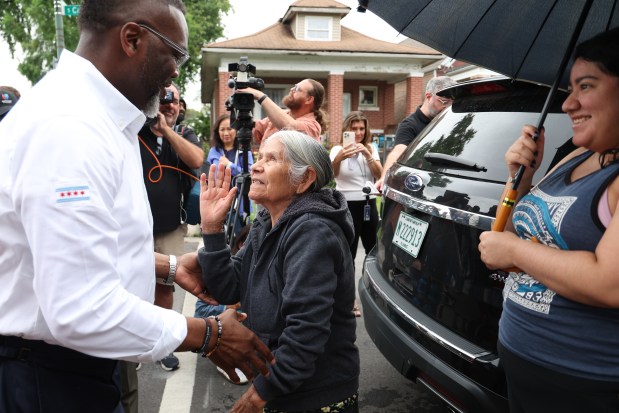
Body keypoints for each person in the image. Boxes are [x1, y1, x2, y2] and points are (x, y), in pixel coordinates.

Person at [0, 1, 273, 411]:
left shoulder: (103, 119)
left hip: (72, 364)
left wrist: (169, 266)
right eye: (175, 54)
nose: (176, 72)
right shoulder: (70, 128)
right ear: (132, 39)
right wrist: (209, 333)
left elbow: (82, 249)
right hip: (46, 376)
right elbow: (82, 307)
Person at [478, 28, 619, 412]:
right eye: (570, 89)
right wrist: (519, 176)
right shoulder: (574, 157)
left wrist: (514, 250)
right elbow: (511, 235)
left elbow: (609, 283)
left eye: (585, 86)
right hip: (522, 358)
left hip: (585, 383)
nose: (569, 104)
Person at [197, 131, 360, 412]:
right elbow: (230, 287)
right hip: (282, 383)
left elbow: (306, 329)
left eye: (271, 160)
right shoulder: (266, 220)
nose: (256, 166)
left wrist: (260, 394)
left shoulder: (312, 230)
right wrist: (212, 228)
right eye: (259, 157)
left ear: (304, 179)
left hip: (315, 395)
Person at [139, 82, 204, 372]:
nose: (168, 106)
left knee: (165, 287)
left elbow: (196, 160)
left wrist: (166, 130)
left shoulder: (183, 133)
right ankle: (137, 343)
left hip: (169, 227)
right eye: (162, 101)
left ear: (180, 106)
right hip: (135, 229)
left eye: (173, 102)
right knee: (132, 287)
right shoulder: (135, 130)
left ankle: (163, 343)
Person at [376, 76, 456, 191]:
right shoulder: (409, 125)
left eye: (452, 104)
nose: (447, 108)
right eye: (444, 102)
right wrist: (384, 178)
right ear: (428, 96)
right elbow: (399, 151)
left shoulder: (448, 123)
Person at [244, 78, 327, 146]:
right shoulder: (279, 117)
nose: (291, 89)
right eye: (294, 86)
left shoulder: (312, 126)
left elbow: (290, 127)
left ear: (309, 99)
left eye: (297, 89)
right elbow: (254, 130)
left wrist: (260, 96)